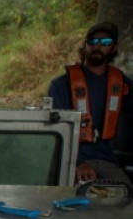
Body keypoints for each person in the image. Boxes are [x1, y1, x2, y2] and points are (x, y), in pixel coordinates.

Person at [48, 21, 132, 187]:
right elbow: (55, 130)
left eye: (105, 42)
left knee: (126, 199)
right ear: (84, 46)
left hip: (107, 162)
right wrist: (77, 163)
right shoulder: (61, 85)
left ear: (114, 48)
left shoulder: (122, 85)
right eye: (92, 41)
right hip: (69, 162)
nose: (97, 46)